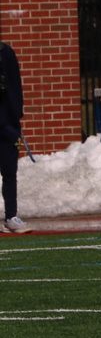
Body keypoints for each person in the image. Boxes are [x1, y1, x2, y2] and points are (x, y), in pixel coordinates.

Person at [0, 41, 29, 234]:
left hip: (7, 124)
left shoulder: (6, 53)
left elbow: (14, 90)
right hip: (5, 124)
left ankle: (11, 216)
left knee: (10, 171)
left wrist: (14, 124)